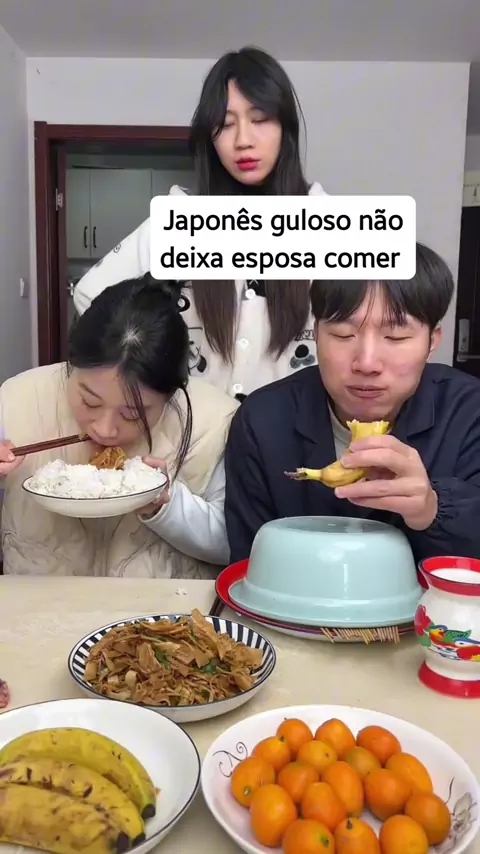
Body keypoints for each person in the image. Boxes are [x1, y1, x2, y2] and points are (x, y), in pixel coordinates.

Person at [73, 46, 327, 402]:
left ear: (286, 127)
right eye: (225, 125)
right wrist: (149, 371)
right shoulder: (181, 218)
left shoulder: (326, 221)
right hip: (194, 430)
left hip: (287, 430)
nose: (243, 141)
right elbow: (90, 295)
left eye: (259, 119)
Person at [224, 242, 480, 564]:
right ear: (316, 333)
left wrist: (432, 509)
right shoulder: (262, 420)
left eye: (396, 337)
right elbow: (249, 562)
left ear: (432, 342)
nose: (367, 363)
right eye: (344, 335)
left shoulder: (470, 412)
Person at [0, 275, 238, 578]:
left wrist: (167, 506)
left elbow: (233, 543)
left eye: (132, 414)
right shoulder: (17, 399)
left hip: (160, 608)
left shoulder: (216, 420)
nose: (105, 429)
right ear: (71, 364)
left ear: (172, 395)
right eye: (90, 402)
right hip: (38, 605)